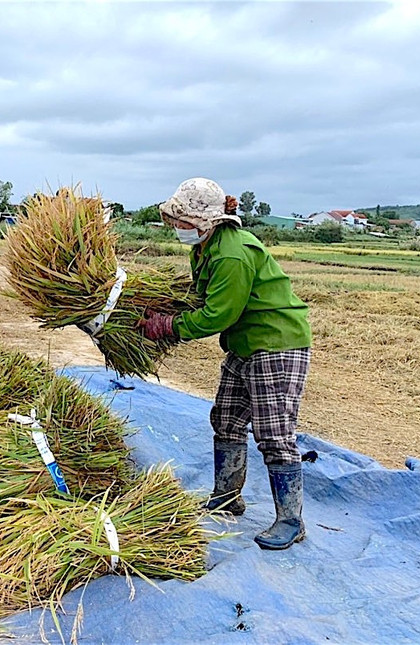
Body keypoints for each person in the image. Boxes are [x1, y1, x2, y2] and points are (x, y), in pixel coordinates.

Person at [140, 177, 312, 550]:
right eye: (176, 219)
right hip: (244, 344)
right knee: (227, 419)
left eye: (184, 220)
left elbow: (217, 314)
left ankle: (291, 520)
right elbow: (202, 296)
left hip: (275, 344)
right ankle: (227, 496)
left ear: (207, 221)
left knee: (274, 433)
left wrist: (169, 326)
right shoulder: (204, 247)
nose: (178, 227)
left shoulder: (232, 253)